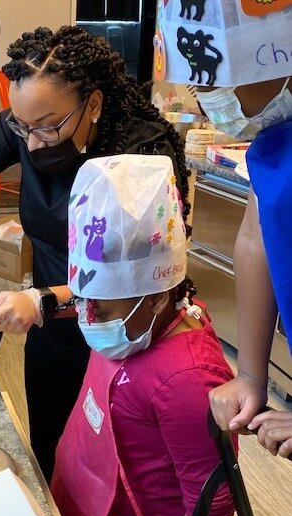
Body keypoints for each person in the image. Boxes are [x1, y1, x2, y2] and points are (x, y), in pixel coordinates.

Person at [0, 25, 191, 480]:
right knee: (52, 457)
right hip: (55, 337)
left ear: (94, 104)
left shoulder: (143, 154)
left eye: (47, 127)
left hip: (126, 338)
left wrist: (43, 298)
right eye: (21, 127)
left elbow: (144, 277)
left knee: (118, 477)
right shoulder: (27, 123)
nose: (31, 142)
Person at [51, 154, 237, 516]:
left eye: (102, 305)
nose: (88, 315)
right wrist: (41, 300)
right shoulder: (136, 324)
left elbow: (212, 507)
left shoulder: (186, 380)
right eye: (84, 299)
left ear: (156, 296)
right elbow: (95, 298)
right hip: (85, 515)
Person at [158, 0, 292, 459]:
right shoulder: (277, 141)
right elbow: (257, 240)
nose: (203, 98)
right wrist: (252, 373)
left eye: (211, 78)